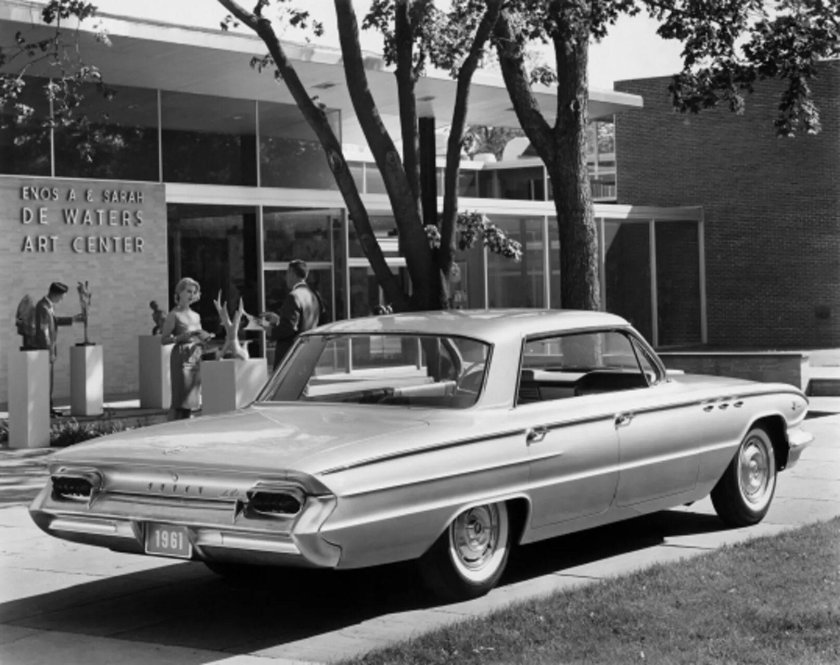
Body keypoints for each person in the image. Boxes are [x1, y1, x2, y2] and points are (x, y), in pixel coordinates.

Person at [160, 277, 213, 420]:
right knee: (180, 400)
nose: (191, 295)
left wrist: (205, 338)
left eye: (194, 292)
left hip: (195, 357)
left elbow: (200, 336)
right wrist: (179, 338)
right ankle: (169, 429)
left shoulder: (196, 316)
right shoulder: (174, 315)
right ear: (180, 292)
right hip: (180, 358)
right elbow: (163, 340)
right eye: (188, 291)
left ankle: (186, 428)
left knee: (192, 400)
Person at [33, 282, 83, 416]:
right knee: (46, 381)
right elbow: (43, 331)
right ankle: (45, 409)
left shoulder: (48, 306)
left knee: (49, 382)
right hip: (45, 351)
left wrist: (72, 319)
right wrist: (49, 352)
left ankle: (49, 408)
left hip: (48, 351)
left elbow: (54, 321)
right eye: (62, 297)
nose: (62, 300)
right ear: (56, 294)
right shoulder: (42, 307)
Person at [262, 259, 323, 371]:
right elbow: (303, 322)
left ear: (292, 273)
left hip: (290, 356)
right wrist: (279, 320)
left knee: (285, 388)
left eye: (287, 273)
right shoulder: (314, 295)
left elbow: (289, 328)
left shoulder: (293, 296)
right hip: (306, 353)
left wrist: (271, 331)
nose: (286, 277)